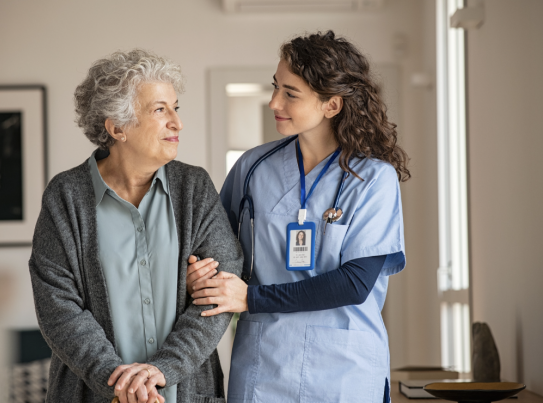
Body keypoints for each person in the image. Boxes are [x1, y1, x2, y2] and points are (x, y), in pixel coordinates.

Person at [186, 31, 409, 403]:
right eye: (276, 87)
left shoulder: (373, 179)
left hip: (344, 371)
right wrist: (201, 273)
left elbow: (354, 283)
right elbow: (215, 249)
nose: (274, 101)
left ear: (331, 105)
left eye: (291, 93)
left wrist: (250, 299)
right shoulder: (252, 168)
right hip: (264, 367)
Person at [28, 49, 242, 403]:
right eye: (160, 110)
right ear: (117, 127)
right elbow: (58, 308)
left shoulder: (194, 188)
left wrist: (163, 369)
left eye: (176, 107)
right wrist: (119, 383)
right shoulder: (65, 197)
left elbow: (220, 291)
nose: (177, 122)